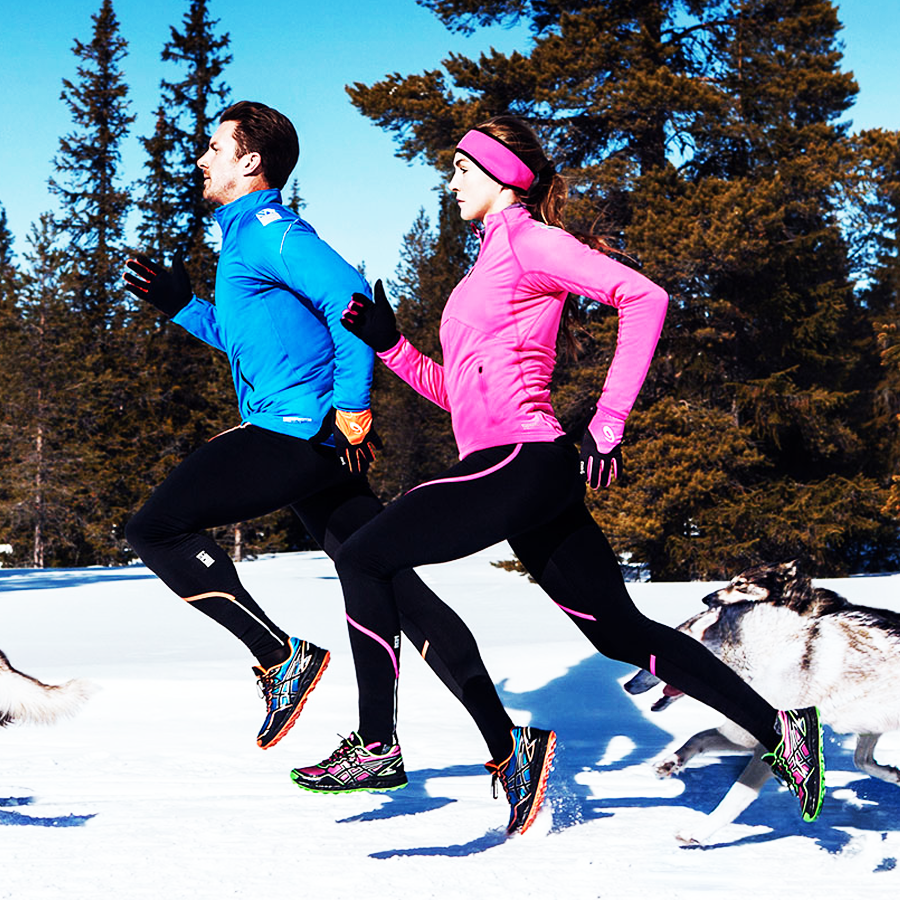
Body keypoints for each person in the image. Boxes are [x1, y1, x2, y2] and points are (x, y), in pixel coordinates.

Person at [290, 116, 826, 829]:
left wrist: (607, 423)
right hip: (508, 466)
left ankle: (377, 743)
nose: (450, 182)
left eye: (461, 169)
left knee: (361, 555)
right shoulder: (485, 267)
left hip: (522, 460)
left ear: (503, 175)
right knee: (619, 634)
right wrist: (390, 346)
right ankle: (784, 733)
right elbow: (461, 395)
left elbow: (645, 298)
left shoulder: (531, 242)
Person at [122, 102, 517, 766]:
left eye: (214, 148)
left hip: (296, 433)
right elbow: (250, 341)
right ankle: (511, 746)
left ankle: (280, 657)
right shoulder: (243, 237)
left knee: (153, 528)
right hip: (305, 433)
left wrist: (352, 407)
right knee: (396, 588)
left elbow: (352, 301)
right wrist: (183, 307)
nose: (201, 159)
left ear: (250, 162)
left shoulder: (272, 230)